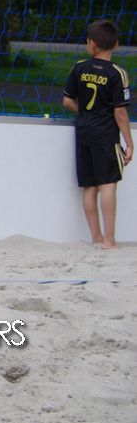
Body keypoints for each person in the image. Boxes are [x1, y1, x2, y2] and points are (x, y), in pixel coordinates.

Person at [61, 19, 132, 250]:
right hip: (105, 134)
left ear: (91, 43)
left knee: (90, 187)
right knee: (108, 184)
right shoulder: (117, 74)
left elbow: (67, 101)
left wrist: (87, 113)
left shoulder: (79, 68)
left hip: (84, 132)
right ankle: (109, 241)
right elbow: (120, 112)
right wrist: (129, 143)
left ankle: (97, 237)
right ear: (116, 44)